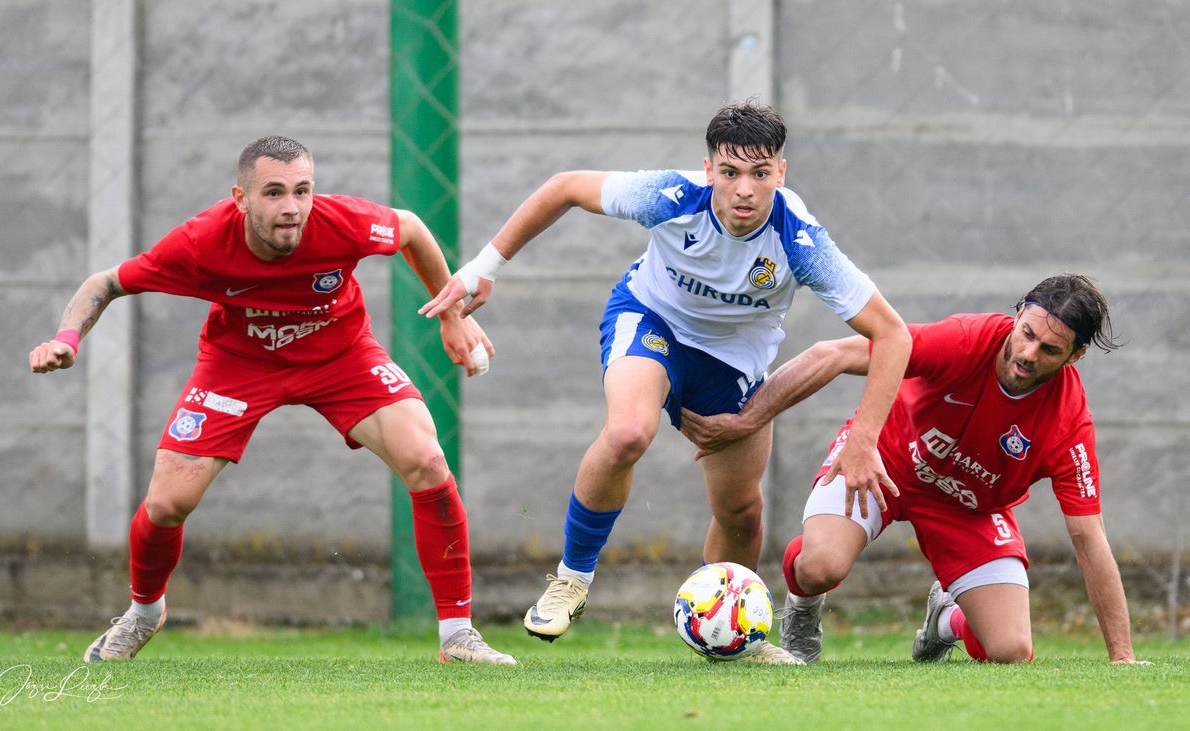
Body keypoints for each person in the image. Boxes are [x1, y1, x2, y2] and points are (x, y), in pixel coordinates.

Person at [420, 101, 912, 664]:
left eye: (759, 173)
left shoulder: (799, 241)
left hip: (733, 364)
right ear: (708, 171)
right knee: (629, 432)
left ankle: (732, 633)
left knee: (741, 511)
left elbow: (892, 336)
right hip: (651, 320)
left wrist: (863, 440)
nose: (743, 190)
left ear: (780, 172)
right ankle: (573, 578)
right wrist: (485, 268)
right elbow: (564, 187)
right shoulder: (671, 197)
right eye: (729, 173)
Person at [29, 136, 515, 665]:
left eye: (302, 191)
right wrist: (66, 338)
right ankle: (144, 612)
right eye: (274, 193)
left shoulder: (343, 222)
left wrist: (452, 315)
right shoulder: (200, 243)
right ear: (240, 198)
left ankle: (458, 636)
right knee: (169, 503)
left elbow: (413, 230)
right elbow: (105, 283)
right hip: (239, 364)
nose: (292, 208)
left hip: (341, 355)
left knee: (426, 459)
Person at [682, 273, 1148, 665]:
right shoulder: (966, 340)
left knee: (1010, 649)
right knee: (821, 564)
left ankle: (943, 619)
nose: (1029, 354)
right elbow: (835, 353)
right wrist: (747, 420)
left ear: (1075, 356)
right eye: (1026, 333)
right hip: (883, 461)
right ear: (1018, 314)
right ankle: (803, 610)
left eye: (1050, 349)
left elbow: (1089, 539)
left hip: (970, 508)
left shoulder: (1069, 421)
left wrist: (1122, 657)